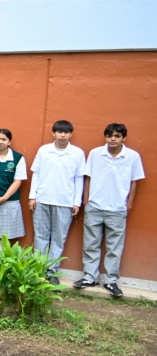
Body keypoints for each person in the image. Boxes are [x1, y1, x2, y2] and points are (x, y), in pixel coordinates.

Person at [74, 123, 145, 297]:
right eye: (109, 136)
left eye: (117, 136)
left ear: (124, 138)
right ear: (105, 137)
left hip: (117, 208)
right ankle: (90, 277)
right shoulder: (95, 154)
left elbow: (134, 181)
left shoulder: (132, 156)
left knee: (114, 247)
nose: (113, 139)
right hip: (95, 206)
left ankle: (111, 281)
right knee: (90, 244)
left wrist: (128, 205)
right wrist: (86, 201)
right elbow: (88, 177)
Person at [29, 120, 85, 285]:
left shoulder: (77, 153)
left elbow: (79, 178)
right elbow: (36, 173)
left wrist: (77, 202)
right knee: (40, 236)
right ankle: (38, 270)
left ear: (70, 134)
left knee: (58, 239)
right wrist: (32, 196)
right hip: (42, 199)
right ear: (53, 133)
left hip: (65, 201)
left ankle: (52, 272)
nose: (62, 135)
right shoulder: (44, 150)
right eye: (59, 132)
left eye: (66, 132)